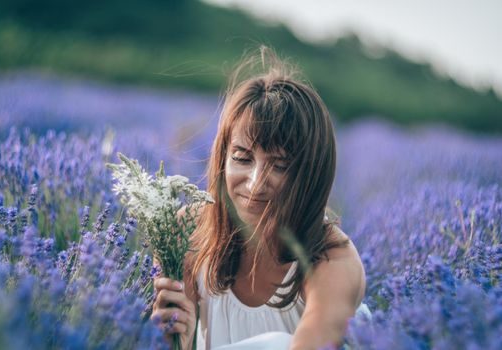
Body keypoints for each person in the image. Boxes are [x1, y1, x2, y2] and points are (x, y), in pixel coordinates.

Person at [152, 46, 367, 350]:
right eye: (242, 158)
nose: (255, 184)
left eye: (279, 166)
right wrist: (178, 339)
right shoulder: (187, 231)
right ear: (222, 157)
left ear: (310, 174)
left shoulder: (333, 260)